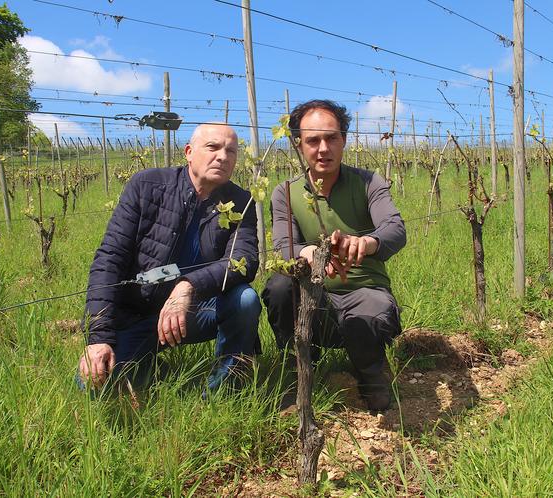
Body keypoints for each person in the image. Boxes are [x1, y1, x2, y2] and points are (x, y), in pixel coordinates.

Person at [78, 123, 261, 395]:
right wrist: (99, 337)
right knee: (96, 389)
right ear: (189, 152)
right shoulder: (147, 186)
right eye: (212, 147)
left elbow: (243, 260)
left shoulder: (240, 200)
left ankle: (224, 390)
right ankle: (147, 362)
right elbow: (109, 260)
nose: (222, 156)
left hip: (195, 311)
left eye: (231, 151)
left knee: (245, 300)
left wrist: (188, 286)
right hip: (138, 313)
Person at [262, 100, 406, 411]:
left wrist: (366, 243)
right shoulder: (285, 192)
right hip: (315, 299)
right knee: (279, 287)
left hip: (365, 292)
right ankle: (300, 370)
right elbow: (283, 247)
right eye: (313, 140)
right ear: (299, 145)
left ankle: (370, 372)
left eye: (332, 138)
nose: (323, 148)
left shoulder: (370, 183)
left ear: (344, 140)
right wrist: (310, 251)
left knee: (369, 315)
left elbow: (395, 230)